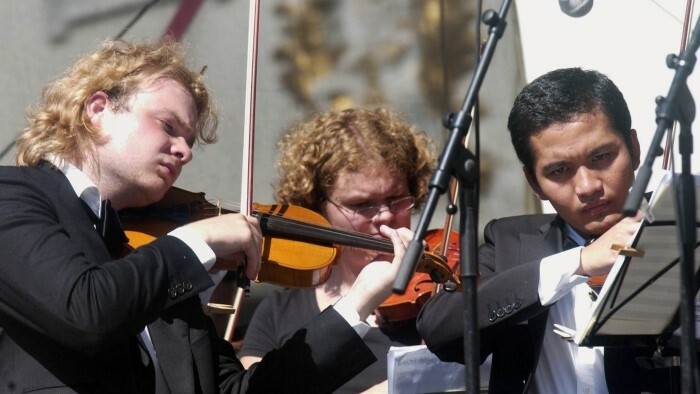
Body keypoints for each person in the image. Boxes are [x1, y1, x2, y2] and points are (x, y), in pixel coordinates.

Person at [0, 39, 413, 394]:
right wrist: (198, 242)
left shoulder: (151, 260)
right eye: (168, 125)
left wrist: (359, 300)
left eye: (190, 139)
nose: (185, 151)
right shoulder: (15, 195)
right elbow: (85, 312)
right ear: (98, 108)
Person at [417, 68, 684, 393]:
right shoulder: (508, 242)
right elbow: (438, 328)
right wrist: (579, 261)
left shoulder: (682, 227)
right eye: (559, 170)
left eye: (601, 157)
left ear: (634, 148)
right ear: (534, 183)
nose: (587, 187)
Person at [238, 107, 437, 393]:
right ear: (318, 209)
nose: (384, 215)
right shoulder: (279, 313)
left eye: (395, 199)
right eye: (361, 204)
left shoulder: (439, 296)